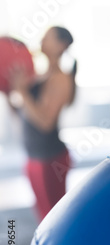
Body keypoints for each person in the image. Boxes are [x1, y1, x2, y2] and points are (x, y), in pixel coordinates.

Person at [10, 26, 76, 222]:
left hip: (50, 159)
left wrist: (22, 92)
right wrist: (10, 91)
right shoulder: (37, 77)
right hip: (33, 156)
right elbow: (23, 114)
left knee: (54, 219)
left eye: (47, 38)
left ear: (61, 45)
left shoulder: (62, 79)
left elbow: (46, 122)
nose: (41, 41)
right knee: (42, 217)